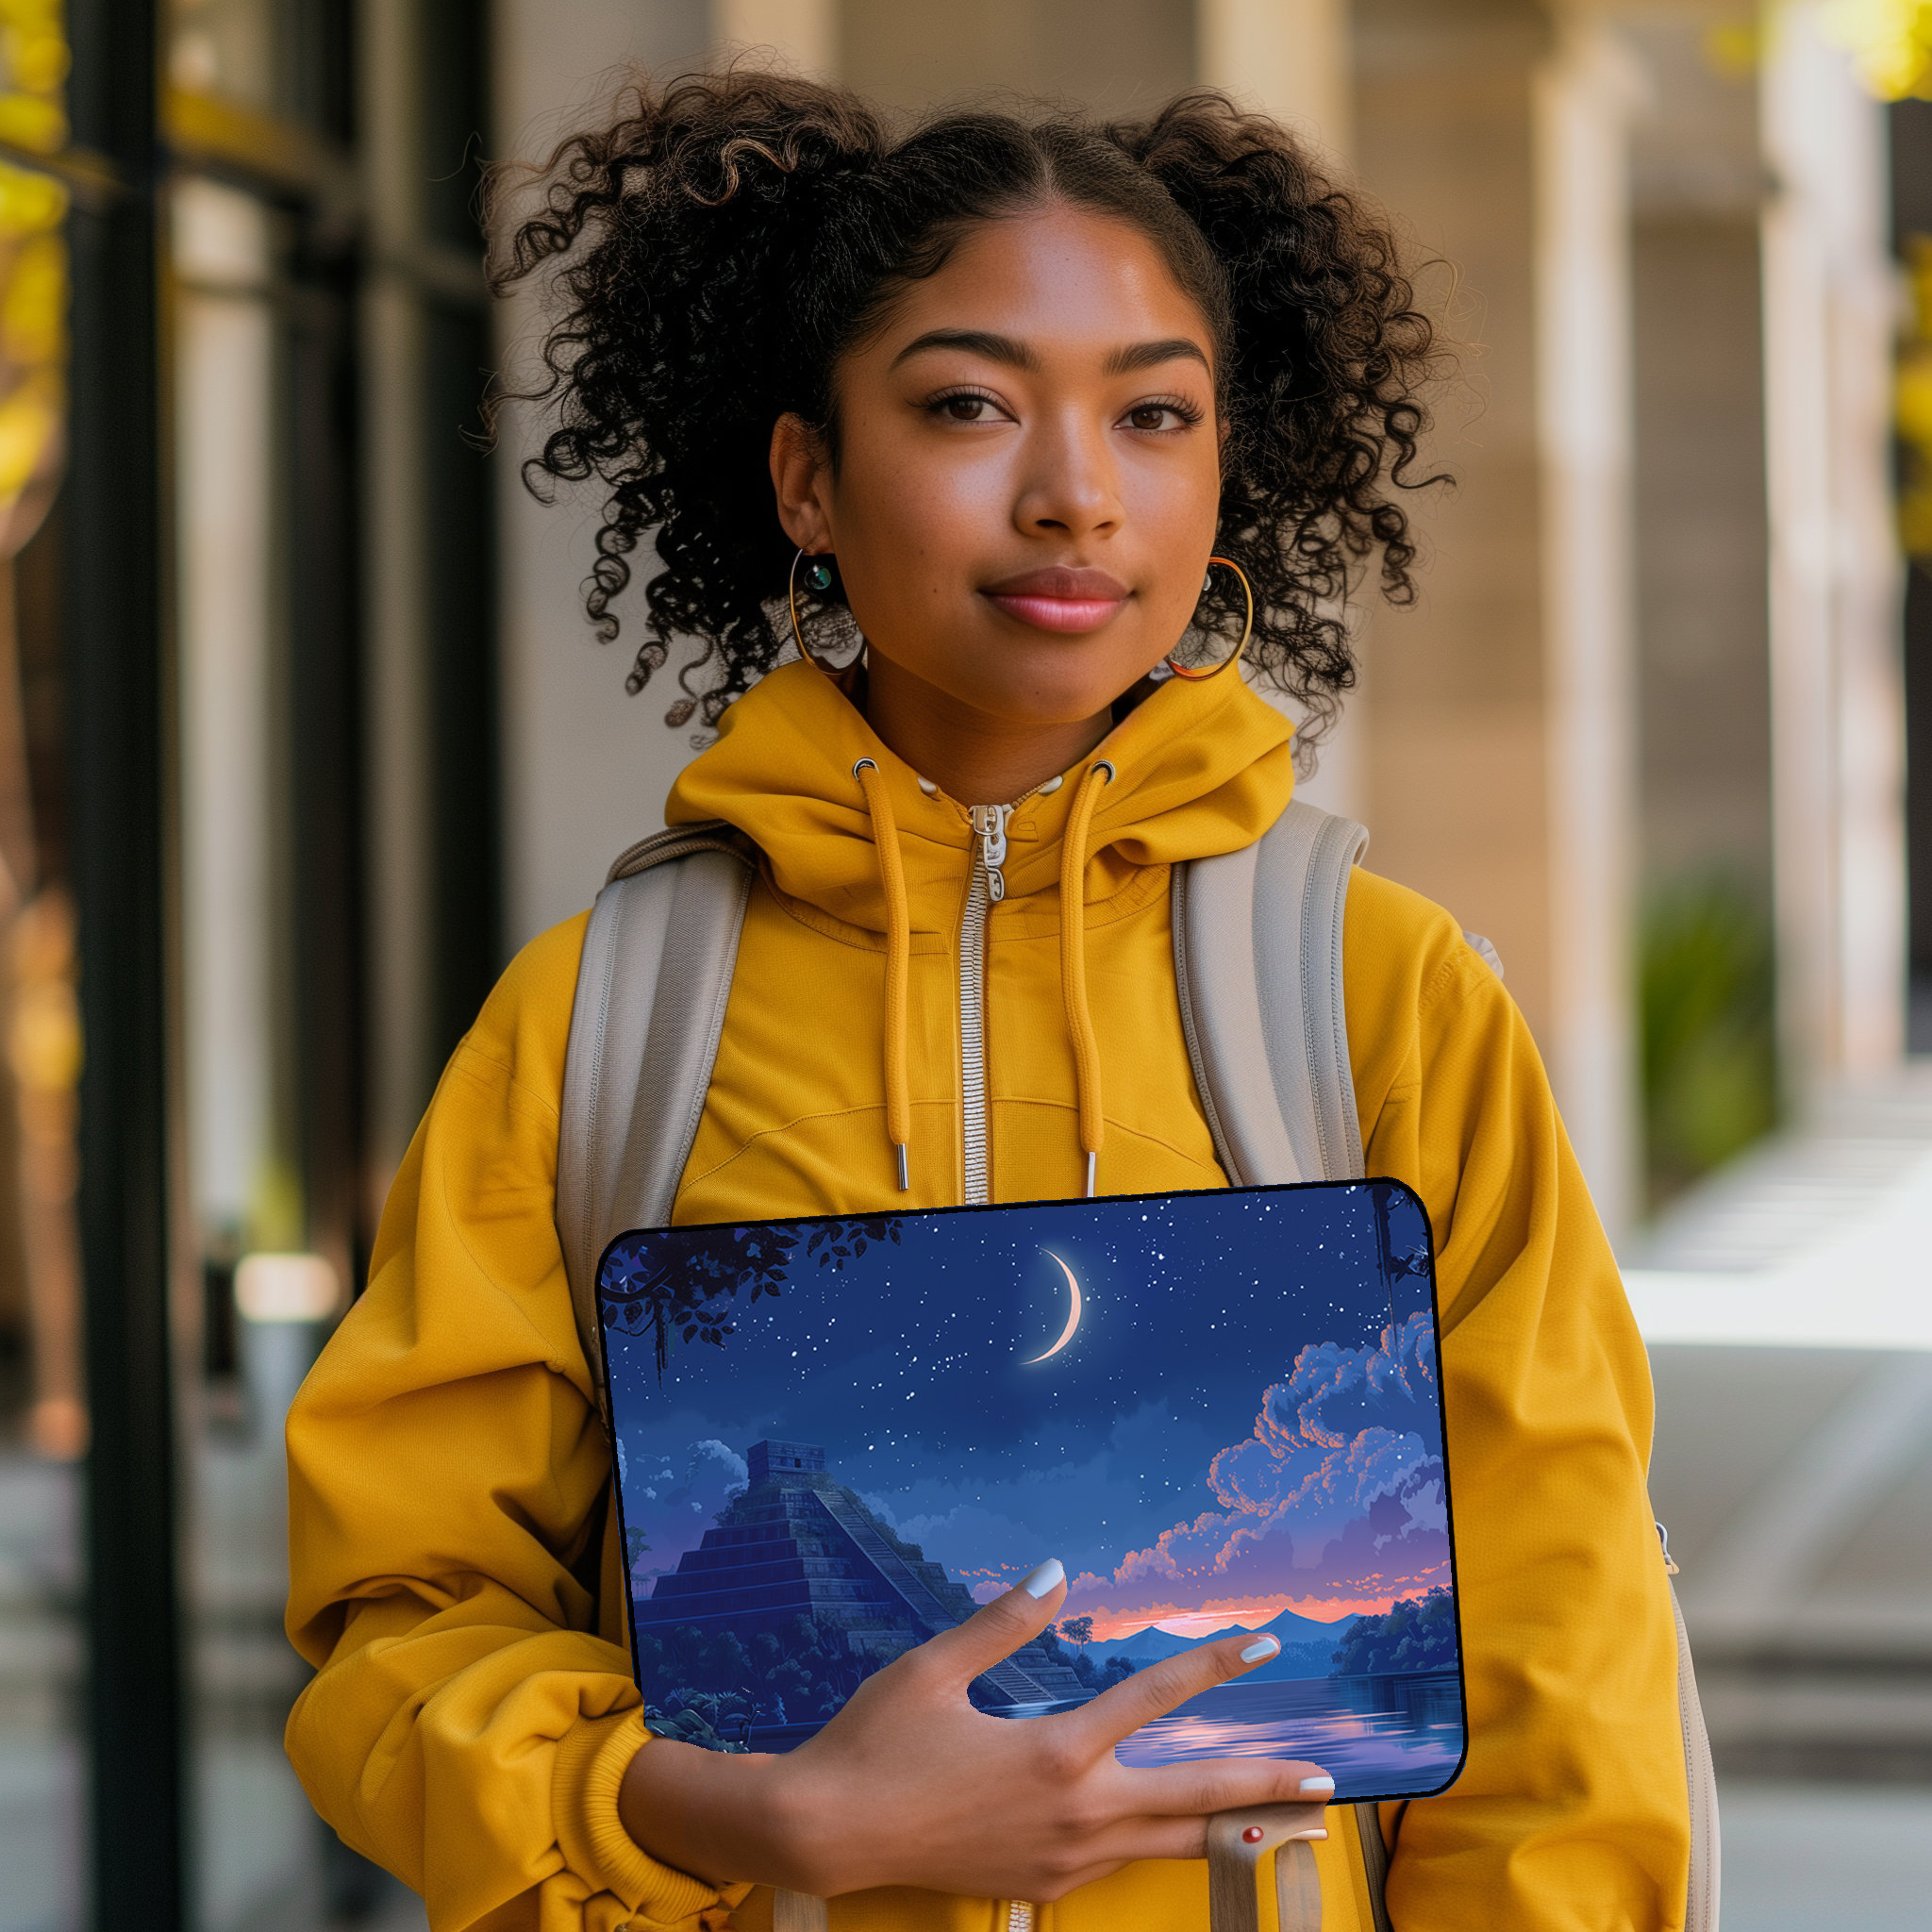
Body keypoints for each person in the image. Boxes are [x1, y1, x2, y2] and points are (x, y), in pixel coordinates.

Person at [283, 71, 1687, 1932]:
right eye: (967, 405)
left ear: (1223, 468)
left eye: (1153, 413)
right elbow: (399, 1625)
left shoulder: (1379, 995)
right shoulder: (602, 1021)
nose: (1075, 493)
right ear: (806, 477)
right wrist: (727, 1814)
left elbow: (1562, 1666)